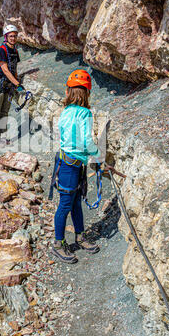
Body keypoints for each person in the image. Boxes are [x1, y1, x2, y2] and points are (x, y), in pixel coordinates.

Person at [51, 69, 102, 264]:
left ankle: (79, 237)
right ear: (86, 93)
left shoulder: (66, 111)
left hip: (66, 162)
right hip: (73, 165)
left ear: (69, 91)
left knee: (73, 202)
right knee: (66, 204)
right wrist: (99, 157)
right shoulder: (85, 114)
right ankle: (58, 244)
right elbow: (87, 142)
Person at [0, 24, 24, 149]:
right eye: (11, 36)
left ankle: (2, 137)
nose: (13, 38)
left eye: (15, 36)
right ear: (6, 37)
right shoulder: (2, 51)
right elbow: (5, 70)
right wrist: (17, 84)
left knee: (4, 111)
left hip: (8, 83)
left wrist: (15, 82)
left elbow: (13, 69)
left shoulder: (14, 51)